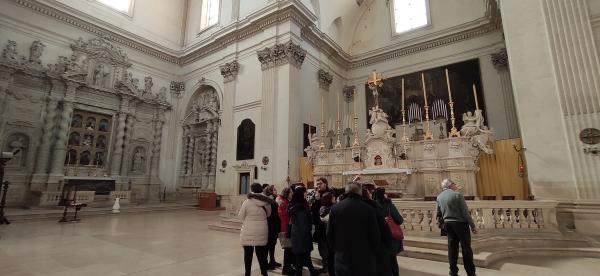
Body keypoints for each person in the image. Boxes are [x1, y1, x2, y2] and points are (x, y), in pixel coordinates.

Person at [327, 182, 381, 276]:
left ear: (346, 192)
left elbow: (329, 233)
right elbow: (375, 235)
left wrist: (336, 249)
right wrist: (373, 251)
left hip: (342, 257)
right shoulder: (369, 209)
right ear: (360, 192)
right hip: (364, 257)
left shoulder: (335, 208)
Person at [436, 179, 477, 276]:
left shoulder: (439, 197)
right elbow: (465, 213)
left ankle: (453, 272)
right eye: (454, 183)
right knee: (466, 248)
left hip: (447, 224)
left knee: (452, 248)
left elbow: (438, 213)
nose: (455, 185)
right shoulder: (457, 195)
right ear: (450, 185)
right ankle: (470, 273)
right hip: (460, 224)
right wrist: (473, 225)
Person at [238, 183, 272, 276]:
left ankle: (247, 273)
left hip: (248, 231)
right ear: (261, 190)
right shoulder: (267, 202)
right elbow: (268, 215)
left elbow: (240, 216)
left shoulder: (247, 202)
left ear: (252, 190)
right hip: (261, 231)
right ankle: (264, 273)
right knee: (262, 255)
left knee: (248, 255)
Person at [287, 186, 320, 276]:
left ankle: (312, 271)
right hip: (301, 235)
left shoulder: (297, 204)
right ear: (301, 194)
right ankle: (299, 273)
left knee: (304, 255)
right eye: (305, 192)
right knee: (300, 257)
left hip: (297, 234)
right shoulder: (300, 207)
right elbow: (303, 224)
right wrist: (309, 232)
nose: (306, 193)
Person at [362, 184, 393, 276]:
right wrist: (389, 245)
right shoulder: (374, 208)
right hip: (378, 247)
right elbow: (385, 229)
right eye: (369, 193)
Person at [374, 187, 404, 276]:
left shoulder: (372, 205)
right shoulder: (388, 205)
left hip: (378, 238)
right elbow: (400, 220)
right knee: (392, 261)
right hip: (390, 237)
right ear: (384, 195)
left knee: (381, 264)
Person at [310, 177, 331, 271]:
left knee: (330, 245)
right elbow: (314, 210)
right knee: (322, 245)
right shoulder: (315, 194)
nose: (318, 185)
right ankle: (325, 265)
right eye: (317, 184)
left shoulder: (331, 192)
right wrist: (316, 200)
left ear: (325, 184)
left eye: (320, 184)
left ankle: (330, 264)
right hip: (319, 225)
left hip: (330, 224)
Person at [277, 187, 295, 275]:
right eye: (291, 192)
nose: (292, 194)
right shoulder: (283, 203)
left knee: (289, 250)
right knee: (287, 250)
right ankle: (286, 269)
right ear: (287, 193)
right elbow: (284, 216)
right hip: (285, 228)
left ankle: (288, 267)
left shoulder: (285, 201)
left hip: (286, 228)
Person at [263, 184, 281, 270]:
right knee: (268, 245)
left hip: (274, 226)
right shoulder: (269, 201)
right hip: (270, 226)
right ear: (270, 192)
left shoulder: (273, 200)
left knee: (272, 245)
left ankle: (272, 260)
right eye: (274, 190)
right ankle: (266, 263)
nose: (276, 191)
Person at [319, 192, 335, 276]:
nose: (334, 198)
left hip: (322, 234)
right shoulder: (333, 209)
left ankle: (326, 267)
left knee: (324, 253)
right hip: (330, 234)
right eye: (332, 197)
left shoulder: (321, 208)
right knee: (331, 254)